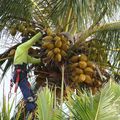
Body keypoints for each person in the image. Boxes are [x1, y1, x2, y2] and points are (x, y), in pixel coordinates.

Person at [13, 32, 43, 113]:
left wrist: (42, 59)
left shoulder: (24, 54)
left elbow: (33, 60)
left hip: (21, 74)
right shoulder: (21, 48)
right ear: (25, 43)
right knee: (26, 91)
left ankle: (33, 107)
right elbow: (31, 41)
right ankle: (31, 108)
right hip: (19, 73)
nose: (29, 47)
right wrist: (41, 33)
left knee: (30, 92)